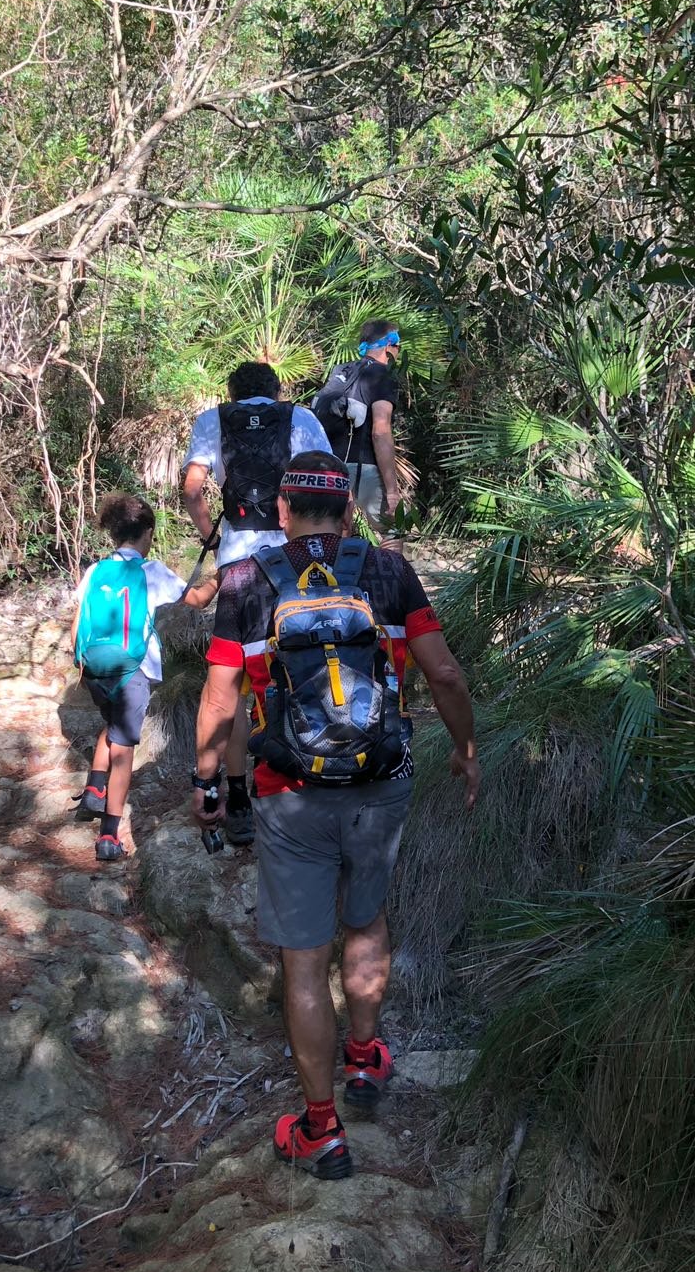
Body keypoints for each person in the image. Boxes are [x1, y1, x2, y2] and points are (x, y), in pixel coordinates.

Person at [191, 450, 479, 1180]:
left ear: (281, 512)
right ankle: (365, 1056)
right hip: (382, 783)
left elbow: (221, 699)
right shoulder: (388, 570)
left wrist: (206, 781)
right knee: (367, 921)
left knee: (303, 957)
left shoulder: (244, 580)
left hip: (289, 794)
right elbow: (442, 670)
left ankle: (319, 1129)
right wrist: (466, 748)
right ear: (348, 511)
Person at [182, 361, 331, 847]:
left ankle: (238, 795)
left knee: (237, 684)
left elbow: (192, 488)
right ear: (276, 390)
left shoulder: (213, 419)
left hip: (238, 561)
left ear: (233, 392)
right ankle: (299, 777)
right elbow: (327, 480)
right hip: (294, 560)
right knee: (298, 666)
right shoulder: (301, 418)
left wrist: (213, 534)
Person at [73, 493, 218, 863]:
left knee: (112, 723)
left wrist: (81, 665)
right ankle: (108, 836)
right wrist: (221, 576)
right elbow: (197, 600)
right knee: (124, 749)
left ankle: (94, 787)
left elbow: (78, 621)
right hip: (132, 669)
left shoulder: (95, 570)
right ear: (148, 532)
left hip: (94, 666)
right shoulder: (151, 571)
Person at [311, 320, 402, 550]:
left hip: (327, 467)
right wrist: (392, 490)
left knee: (339, 529)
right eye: (398, 345)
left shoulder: (342, 372)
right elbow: (380, 432)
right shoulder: (381, 376)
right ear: (389, 346)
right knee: (394, 527)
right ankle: (393, 584)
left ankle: (338, 584)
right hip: (362, 467)